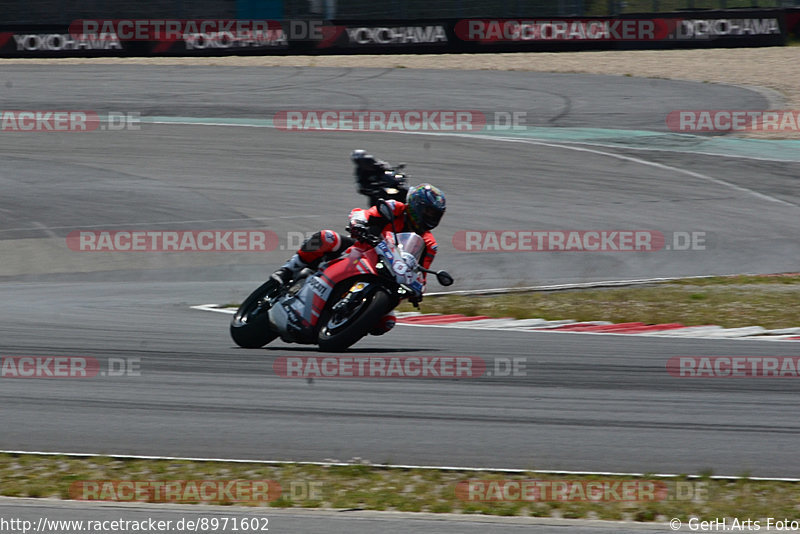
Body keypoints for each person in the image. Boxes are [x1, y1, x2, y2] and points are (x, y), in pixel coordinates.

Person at [271, 183, 446, 288]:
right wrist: (358, 223)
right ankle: (288, 270)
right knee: (326, 237)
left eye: (435, 215)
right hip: (360, 251)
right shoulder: (394, 208)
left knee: (385, 323)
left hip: (386, 273)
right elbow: (365, 214)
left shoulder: (429, 243)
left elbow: (421, 275)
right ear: (416, 205)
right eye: (428, 212)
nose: (430, 218)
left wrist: (418, 289)